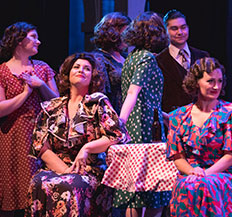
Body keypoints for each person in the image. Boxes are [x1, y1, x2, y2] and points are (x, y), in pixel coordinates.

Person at [24, 52, 130, 217]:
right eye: (76, 67)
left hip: (89, 169)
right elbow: (40, 145)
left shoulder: (97, 103)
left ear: (93, 76)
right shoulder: (53, 107)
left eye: (87, 68)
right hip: (58, 167)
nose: (81, 70)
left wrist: (87, 148)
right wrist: (65, 170)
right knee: (37, 182)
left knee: (70, 186)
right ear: (68, 73)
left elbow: (116, 135)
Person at [0, 22, 59, 217]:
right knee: (14, 183)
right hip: (14, 135)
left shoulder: (42, 68)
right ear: (19, 40)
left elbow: (57, 103)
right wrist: (25, 93)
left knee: (41, 181)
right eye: (33, 37)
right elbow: (1, 109)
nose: (38, 41)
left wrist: (40, 84)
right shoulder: (2, 71)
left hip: (41, 133)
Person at [115, 11, 170, 217]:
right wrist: (121, 121)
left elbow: (147, 99)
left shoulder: (132, 57)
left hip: (143, 123)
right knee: (153, 189)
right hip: (144, 129)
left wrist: (170, 118)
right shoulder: (146, 58)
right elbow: (133, 92)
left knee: (136, 191)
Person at [166, 57, 232, 216]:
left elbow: (229, 156)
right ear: (196, 83)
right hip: (190, 175)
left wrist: (204, 174)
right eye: (210, 81)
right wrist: (192, 172)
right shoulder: (178, 116)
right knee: (188, 187)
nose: (216, 86)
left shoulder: (228, 113)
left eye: (220, 81)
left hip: (219, 174)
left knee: (204, 185)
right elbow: (177, 156)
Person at [156, 9, 210, 114]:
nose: (180, 32)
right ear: (165, 31)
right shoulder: (159, 61)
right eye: (174, 28)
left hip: (202, 118)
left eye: (183, 27)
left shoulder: (203, 56)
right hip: (174, 121)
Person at [91, 12, 131, 115]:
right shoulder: (99, 58)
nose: (129, 36)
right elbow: (100, 95)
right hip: (113, 115)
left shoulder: (127, 57)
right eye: (126, 31)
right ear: (113, 33)